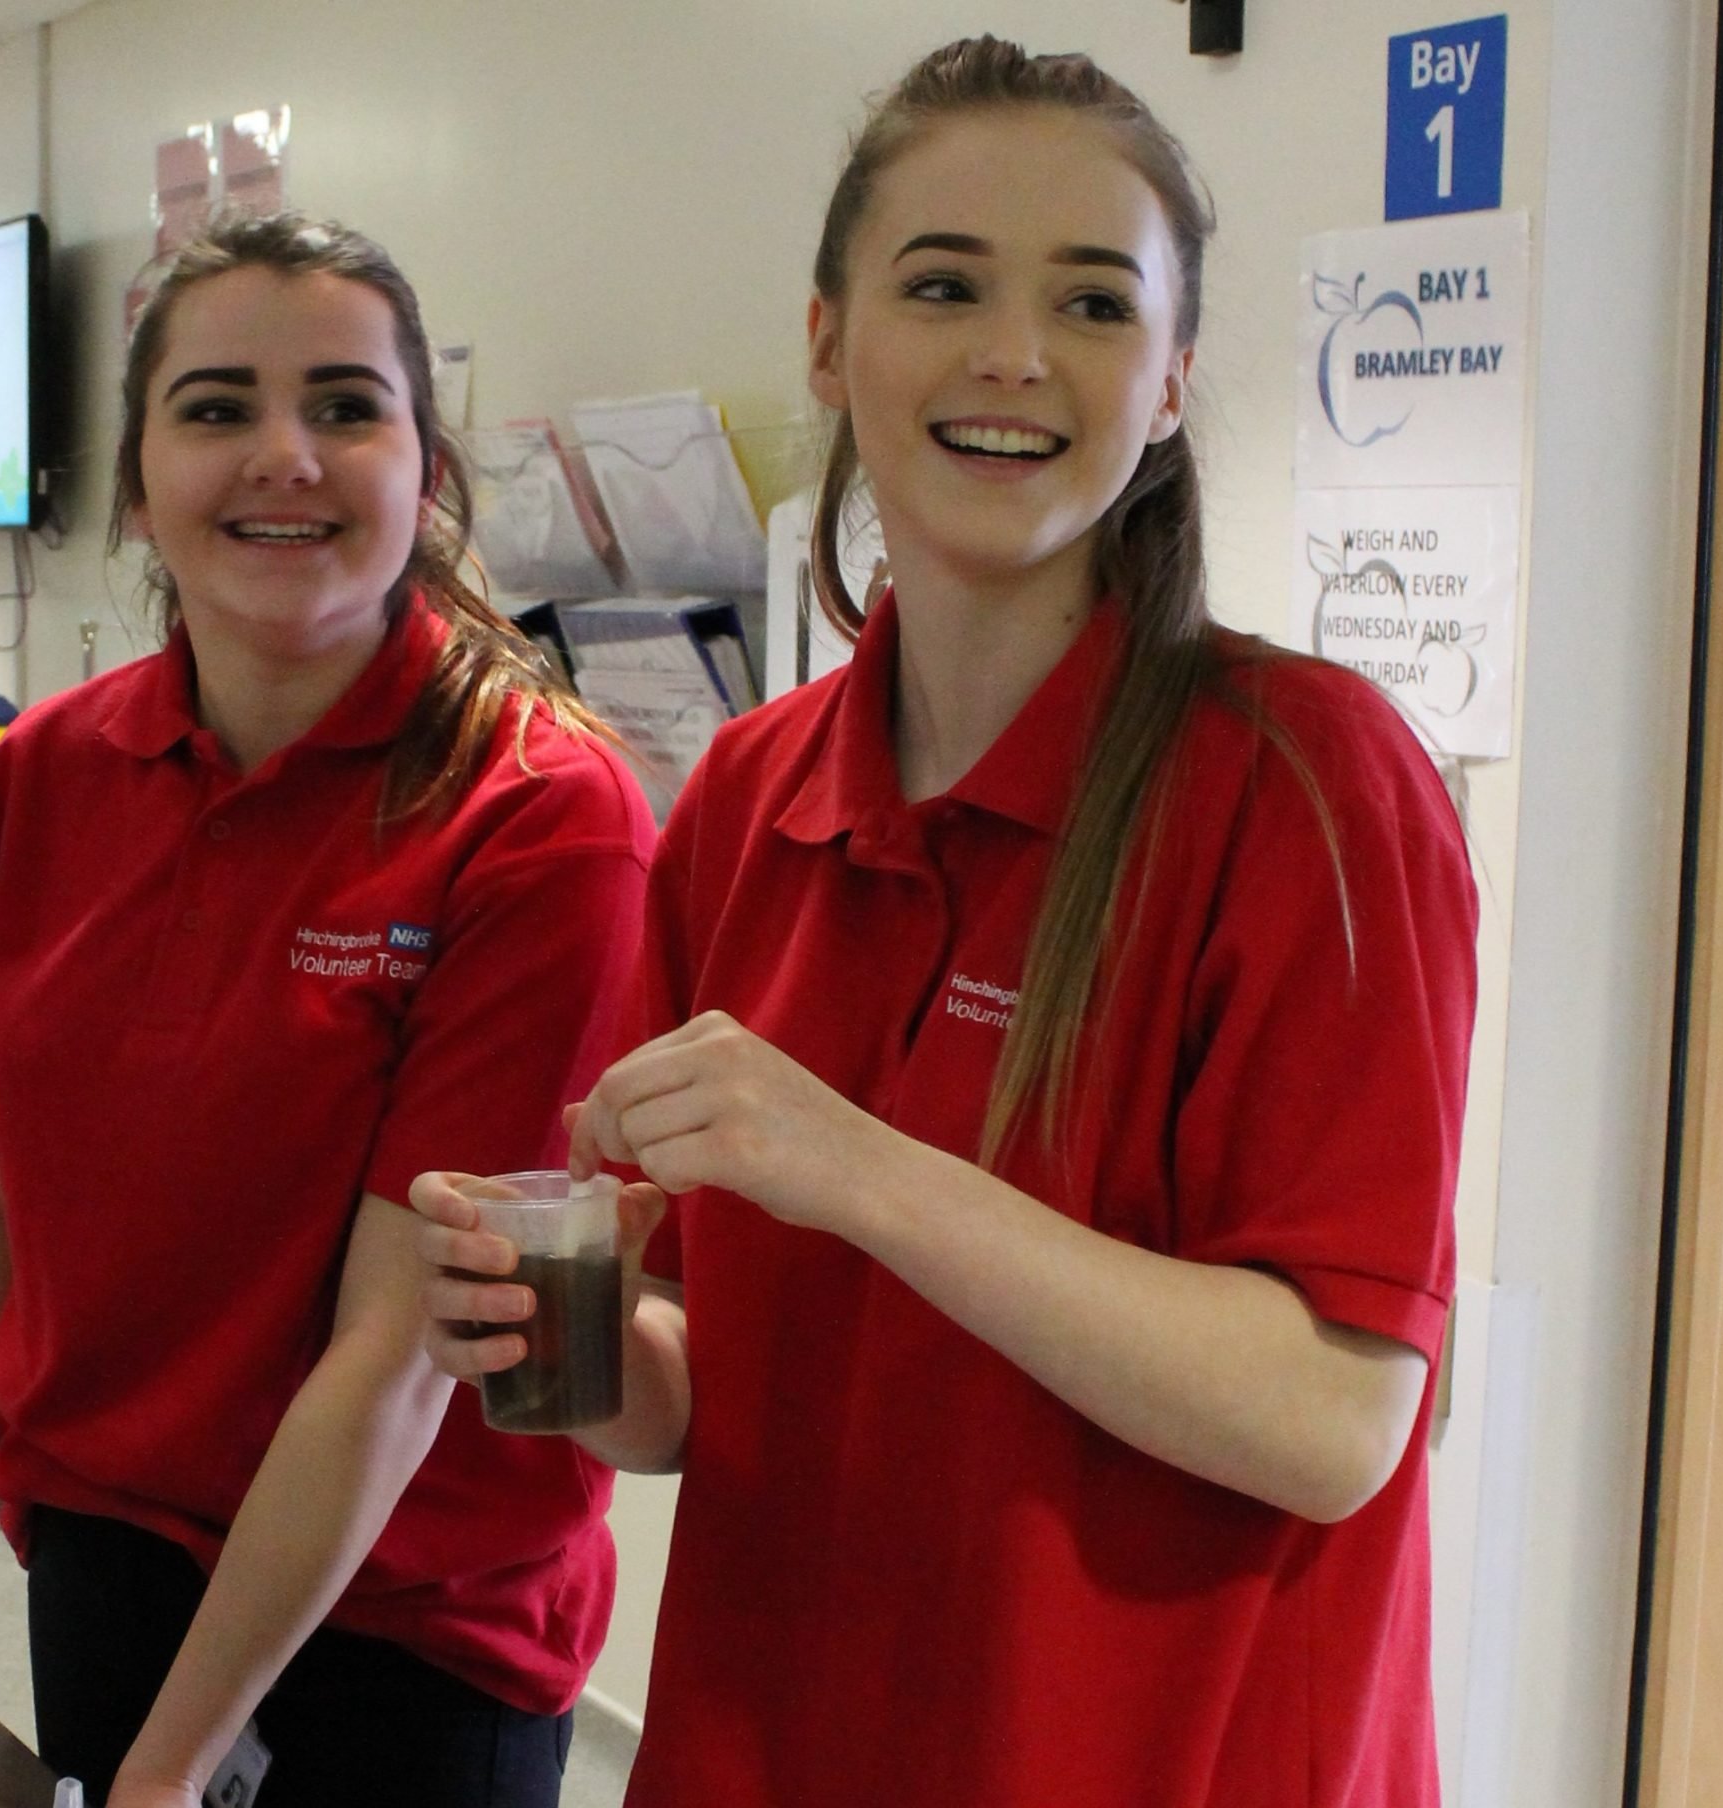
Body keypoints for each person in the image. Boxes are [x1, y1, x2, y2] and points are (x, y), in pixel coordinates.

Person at [415, 38, 1477, 1807]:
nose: (1013, 353)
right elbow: (690, 1376)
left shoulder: (1305, 789)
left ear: (1169, 381)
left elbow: (1331, 1421)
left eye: (1091, 302)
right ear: (829, 339)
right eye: (944, 284)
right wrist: (561, 1348)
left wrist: (859, 1168)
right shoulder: (751, 801)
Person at [0, 212, 654, 1807]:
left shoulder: (535, 815)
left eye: (346, 407)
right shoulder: (44, 777)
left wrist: (171, 1776)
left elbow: (400, 1357)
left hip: (406, 1626)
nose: (283, 458)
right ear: (138, 476)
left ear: (426, 469)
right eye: (220, 406)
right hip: (102, 1563)